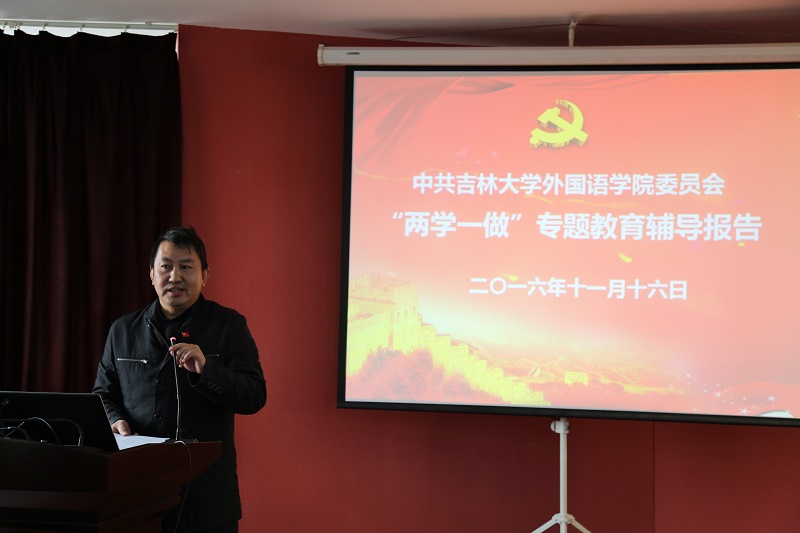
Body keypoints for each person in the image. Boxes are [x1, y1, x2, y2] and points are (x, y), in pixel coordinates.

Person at [93, 226, 267, 533]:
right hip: (135, 495)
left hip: (206, 499)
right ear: (152, 274)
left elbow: (254, 396)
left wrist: (207, 370)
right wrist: (115, 419)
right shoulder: (123, 330)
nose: (175, 277)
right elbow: (103, 394)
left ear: (205, 275)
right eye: (166, 267)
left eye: (186, 267)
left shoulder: (229, 325)